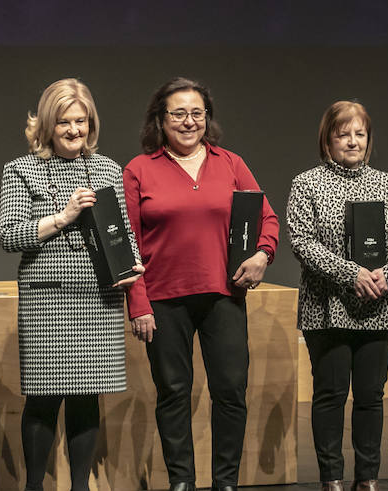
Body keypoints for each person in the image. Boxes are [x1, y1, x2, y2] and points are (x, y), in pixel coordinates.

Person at [124, 77, 279, 491]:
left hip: (223, 295)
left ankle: (225, 481)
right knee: (174, 392)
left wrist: (262, 255)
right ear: (161, 119)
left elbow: (267, 217)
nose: (189, 121)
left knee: (230, 390)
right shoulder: (140, 170)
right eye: (178, 113)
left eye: (197, 113)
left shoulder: (230, 163)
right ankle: (182, 482)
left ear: (207, 118)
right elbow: (128, 244)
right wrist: (137, 303)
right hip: (163, 300)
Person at [0, 78, 144, 491]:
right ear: (47, 124)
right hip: (48, 298)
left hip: (99, 297)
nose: (74, 130)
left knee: (86, 396)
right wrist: (62, 217)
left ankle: (80, 486)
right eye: (64, 122)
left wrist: (132, 266)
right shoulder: (21, 169)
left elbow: (123, 234)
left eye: (81, 121)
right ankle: (34, 486)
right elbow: (10, 235)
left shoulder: (107, 169)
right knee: (43, 397)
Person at [287, 101, 388, 491]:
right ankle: (331, 478)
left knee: (371, 396)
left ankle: (368, 477)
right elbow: (301, 241)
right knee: (330, 394)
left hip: (376, 305)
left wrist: (384, 276)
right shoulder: (306, 183)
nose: (353, 141)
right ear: (328, 139)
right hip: (326, 309)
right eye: (344, 134)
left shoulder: (386, 184)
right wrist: (350, 273)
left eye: (360, 134)